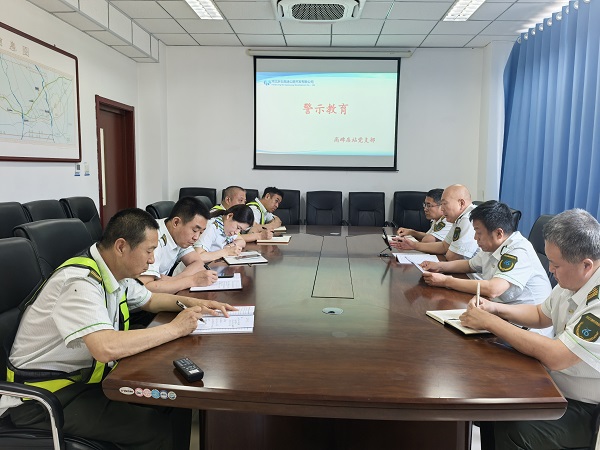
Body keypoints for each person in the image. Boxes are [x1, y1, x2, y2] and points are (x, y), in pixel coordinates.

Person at [0, 208, 236, 449]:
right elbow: (105, 348)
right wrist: (176, 328)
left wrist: (198, 304)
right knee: (156, 430)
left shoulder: (113, 271)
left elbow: (151, 300)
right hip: (41, 399)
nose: (152, 260)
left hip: (82, 379)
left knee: (174, 404)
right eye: (149, 251)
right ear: (121, 246)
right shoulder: (79, 282)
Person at [460, 209, 600, 449]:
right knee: (494, 403)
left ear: (586, 265)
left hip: (586, 409)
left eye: (555, 264)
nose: (550, 270)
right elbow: (540, 314)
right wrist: (494, 309)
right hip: (555, 385)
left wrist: (489, 322)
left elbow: (557, 356)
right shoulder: (574, 279)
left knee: (514, 425)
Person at [421, 201, 552, 334]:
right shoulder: (493, 245)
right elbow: (469, 265)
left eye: (478, 232)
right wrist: (439, 266)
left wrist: (446, 281)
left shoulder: (518, 250)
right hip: (501, 315)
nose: (475, 237)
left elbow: (493, 289)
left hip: (528, 329)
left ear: (499, 233)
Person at [138, 196, 218, 294]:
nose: (196, 237)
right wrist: (192, 280)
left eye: (201, 232)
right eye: (194, 230)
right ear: (176, 222)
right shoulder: (153, 239)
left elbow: (198, 263)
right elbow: (145, 288)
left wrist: (174, 280)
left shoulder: (178, 235)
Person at [391, 184, 479, 261]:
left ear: (461, 203)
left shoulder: (468, 218)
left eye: (444, 204)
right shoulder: (459, 218)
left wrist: (448, 251)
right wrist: (413, 245)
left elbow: (453, 257)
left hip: (470, 274)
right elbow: (444, 246)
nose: (442, 209)